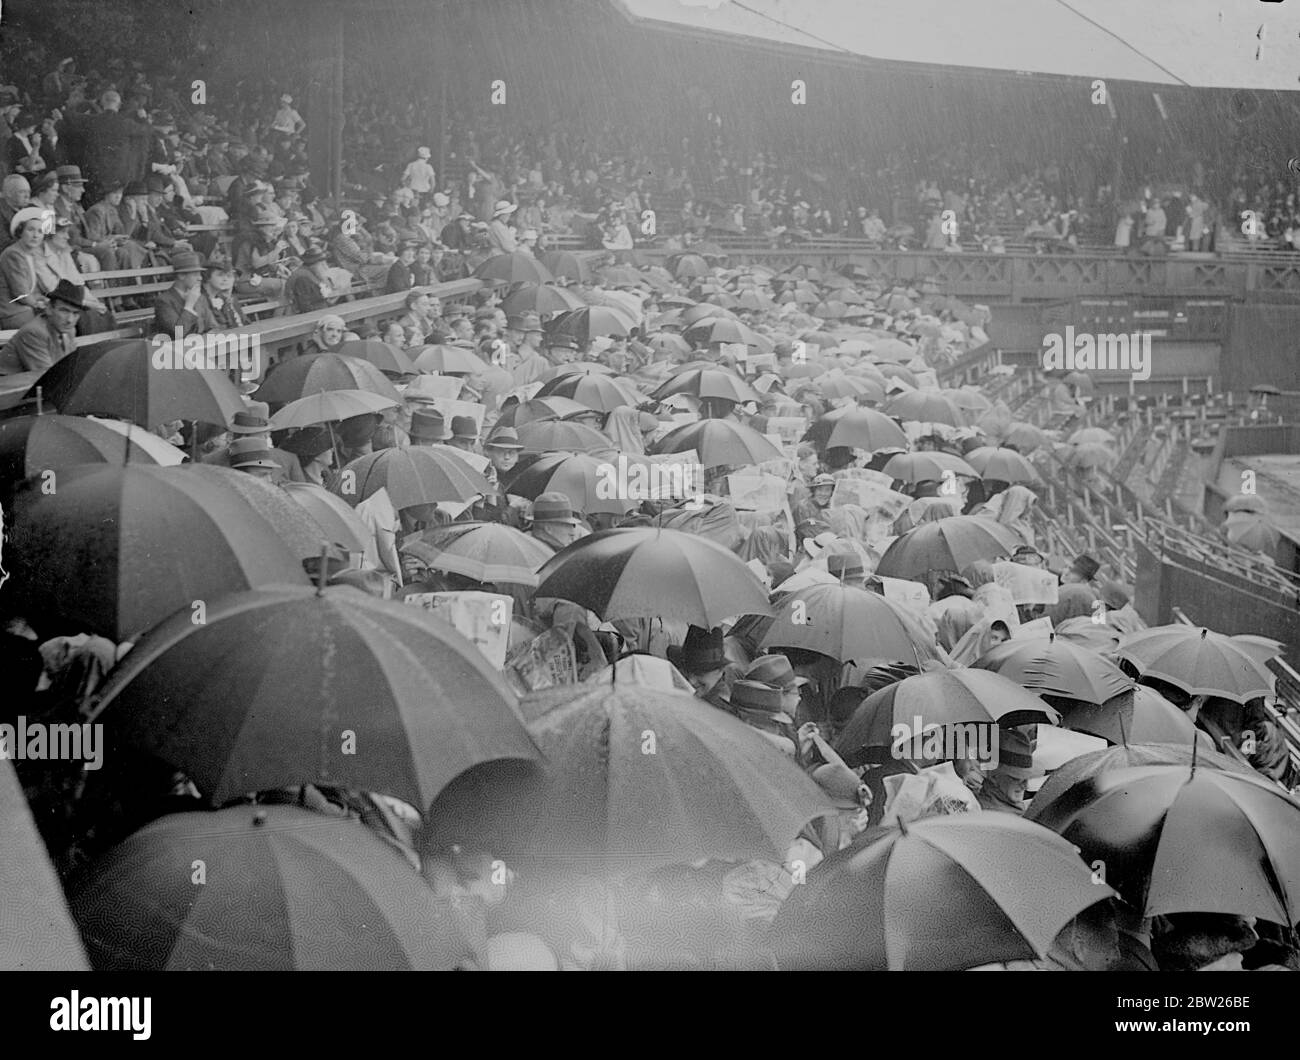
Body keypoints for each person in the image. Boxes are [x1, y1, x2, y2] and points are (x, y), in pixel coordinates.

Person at [0, 278, 84, 375]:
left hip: (32, 384)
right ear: (48, 309)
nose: (70, 320)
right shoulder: (34, 332)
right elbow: (47, 376)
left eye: (75, 313)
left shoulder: (69, 330)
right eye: (64, 310)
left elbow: (70, 365)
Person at [0, 205, 55, 331]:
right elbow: (21, 294)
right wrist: (39, 305)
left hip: (24, 310)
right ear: (21, 232)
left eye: (40, 231)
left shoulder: (29, 254)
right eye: (31, 230)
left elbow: (32, 291)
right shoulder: (13, 254)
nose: (35, 235)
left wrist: (42, 299)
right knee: (55, 321)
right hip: (11, 313)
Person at [975, 728, 1040, 815]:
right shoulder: (995, 817)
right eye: (1017, 778)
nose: (1024, 786)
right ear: (994, 777)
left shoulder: (1007, 806)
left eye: (1026, 779)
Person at [152, 249, 215, 337]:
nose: (200, 278)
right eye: (195, 274)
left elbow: (213, 327)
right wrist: (189, 306)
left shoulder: (200, 297)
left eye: (200, 274)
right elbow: (178, 334)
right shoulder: (163, 301)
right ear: (181, 275)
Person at [285, 247, 331, 315]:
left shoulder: (309, 272)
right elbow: (305, 306)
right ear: (314, 263)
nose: (324, 266)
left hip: (315, 310)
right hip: (303, 314)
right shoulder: (302, 277)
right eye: (321, 263)